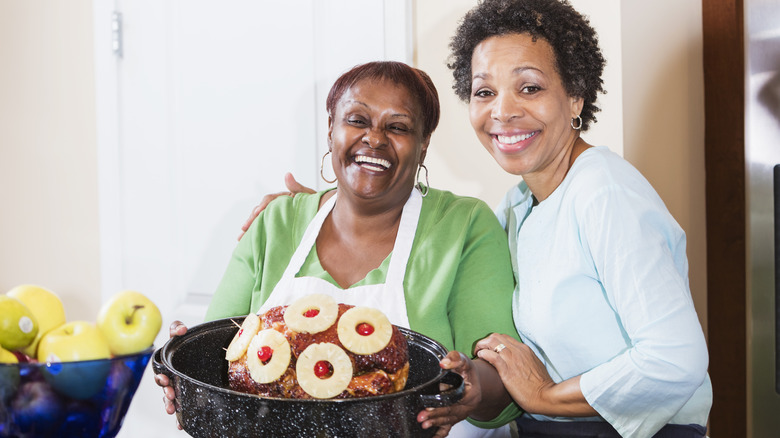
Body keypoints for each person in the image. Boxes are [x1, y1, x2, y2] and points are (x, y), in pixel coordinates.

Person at [245, 1, 713, 437]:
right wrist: (329, 210)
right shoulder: (519, 205)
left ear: (575, 97)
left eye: (529, 87)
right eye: (484, 91)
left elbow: (675, 359)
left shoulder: (605, 193)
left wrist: (545, 396)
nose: (502, 111)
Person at [155, 60, 523, 437]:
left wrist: (473, 385)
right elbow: (218, 360)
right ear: (331, 129)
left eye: (397, 127)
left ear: (423, 144)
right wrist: (185, 373)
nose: (375, 138)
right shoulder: (276, 222)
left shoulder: (462, 226)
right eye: (357, 121)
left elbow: (501, 380)